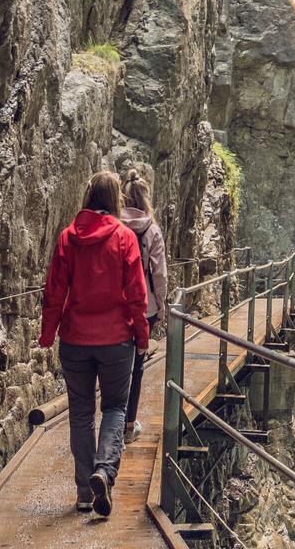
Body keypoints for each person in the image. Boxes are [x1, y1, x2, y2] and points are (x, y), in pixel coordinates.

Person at [39, 171, 150, 517]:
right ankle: (104, 471)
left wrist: (47, 334)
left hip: (75, 340)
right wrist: (143, 336)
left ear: (88, 197)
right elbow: (136, 293)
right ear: (114, 199)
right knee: (115, 408)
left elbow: (54, 292)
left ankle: (85, 492)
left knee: (82, 413)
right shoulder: (124, 237)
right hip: (117, 340)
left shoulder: (67, 238)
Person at [119, 170, 168, 445]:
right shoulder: (152, 230)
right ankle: (127, 425)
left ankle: (111, 422)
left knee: (115, 365)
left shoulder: (114, 226)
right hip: (145, 307)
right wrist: (161, 307)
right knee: (137, 367)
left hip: (116, 306)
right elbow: (159, 274)